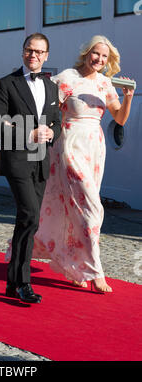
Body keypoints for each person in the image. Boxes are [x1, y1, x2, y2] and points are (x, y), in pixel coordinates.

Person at [32, 35, 135, 293]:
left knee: (77, 209)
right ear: (86, 53)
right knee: (92, 208)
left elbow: (119, 119)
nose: (99, 60)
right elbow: (45, 106)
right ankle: (95, 271)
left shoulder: (105, 83)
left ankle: (74, 266)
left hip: (94, 148)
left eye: (104, 57)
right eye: (95, 54)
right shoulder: (67, 78)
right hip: (70, 144)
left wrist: (129, 97)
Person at [0, 33, 61, 304]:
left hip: (41, 161)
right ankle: (23, 282)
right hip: (16, 159)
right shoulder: (6, 83)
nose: (34, 55)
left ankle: (12, 282)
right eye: (30, 50)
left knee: (28, 220)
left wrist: (52, 133)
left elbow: (57, 123)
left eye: (39, 52)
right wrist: (29, 133)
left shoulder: (51, 87)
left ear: (46, 55)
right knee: (29, 215)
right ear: (22, 52)